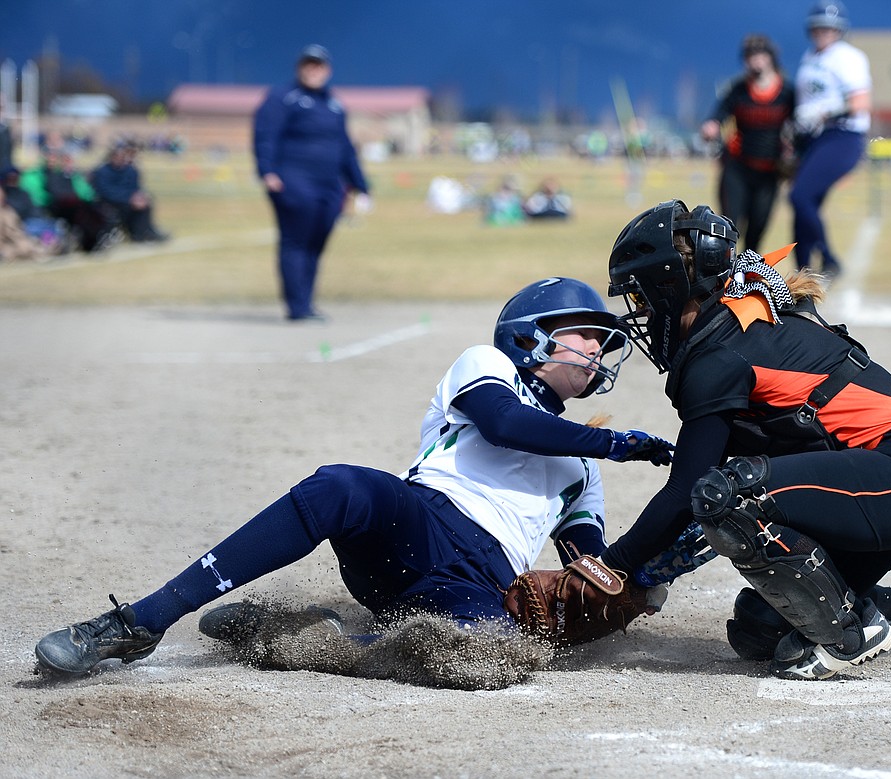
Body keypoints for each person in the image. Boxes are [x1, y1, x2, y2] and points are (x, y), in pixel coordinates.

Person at [34, 277, 676, 677]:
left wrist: (635, 584)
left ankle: (305, 637)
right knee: (339, 484)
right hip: (419, 524)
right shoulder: (487, 366)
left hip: (483, 577)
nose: (597, 351)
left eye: (603, 343)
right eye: (584, 335)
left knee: (495, 654)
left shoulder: (583, 468)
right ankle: (140, 621)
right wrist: (618, 442)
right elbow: (506, 424)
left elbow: (587, 561)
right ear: (530, 336)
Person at [602, 199, 891, 681]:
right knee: (762, 629)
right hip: (890, 475)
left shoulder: (720, 352)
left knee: (726, 495)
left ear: (672, 286)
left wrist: (609, 567)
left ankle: (851, 635)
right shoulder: (733, 321)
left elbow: (687, 491)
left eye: (644, 297)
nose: (643, 312)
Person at [253, 44, 371, 322]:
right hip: (294, 183)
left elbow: (345, 147)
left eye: (318, 65)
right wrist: (267, 172)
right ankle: (297, 306)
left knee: (316, 244)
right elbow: (265, 136)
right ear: (299, 67)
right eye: (308, 64)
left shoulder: (334, 104)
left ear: (327, 70)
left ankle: (307, 301)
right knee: (296, 242)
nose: (313, 70)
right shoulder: (283, 98)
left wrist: (360, 184)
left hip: (329, 187)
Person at [789, 0, 871, 279]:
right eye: (818, 27)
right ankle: (802, 271)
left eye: (828, 27)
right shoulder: (810, 57)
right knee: (805, 204)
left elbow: (861, 101)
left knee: (800, 196)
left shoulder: (848, 57)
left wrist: (826, 112)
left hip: (843, 135)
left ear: (839, 30)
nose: (822, 32)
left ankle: (828, 257)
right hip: (815, 138)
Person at [699, 34, 795, 253]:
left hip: (769, 172)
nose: (755, 61)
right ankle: (724, 280)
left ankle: (748, 280)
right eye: (750, 56)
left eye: (760, 55)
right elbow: (718, 114)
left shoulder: (787, 92)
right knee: (728, 229)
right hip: (738, 168)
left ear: (770, 58)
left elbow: (799, 124)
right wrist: (711, 126)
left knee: (756, 232)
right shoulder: (738, 89)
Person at [19, 147, 119, 253]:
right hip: (53, 207)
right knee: (81, 213)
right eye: (50, 158)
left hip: (72, 204)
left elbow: (82, 191)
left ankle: (98, 237)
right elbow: (45, 194)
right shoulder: (38, 175)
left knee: (94, 210)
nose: (52, 161)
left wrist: (91, 198)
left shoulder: (67, 175)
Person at [90, 142, 170, 243]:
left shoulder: (131, 170)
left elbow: (136, 187)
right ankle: (134, 233)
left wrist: (139, 197)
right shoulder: (102, 171)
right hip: (111, 201)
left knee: (145, 204)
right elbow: (105, 191)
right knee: (127, 207)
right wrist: (129, 198)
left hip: (130, 200)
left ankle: (145, 231)